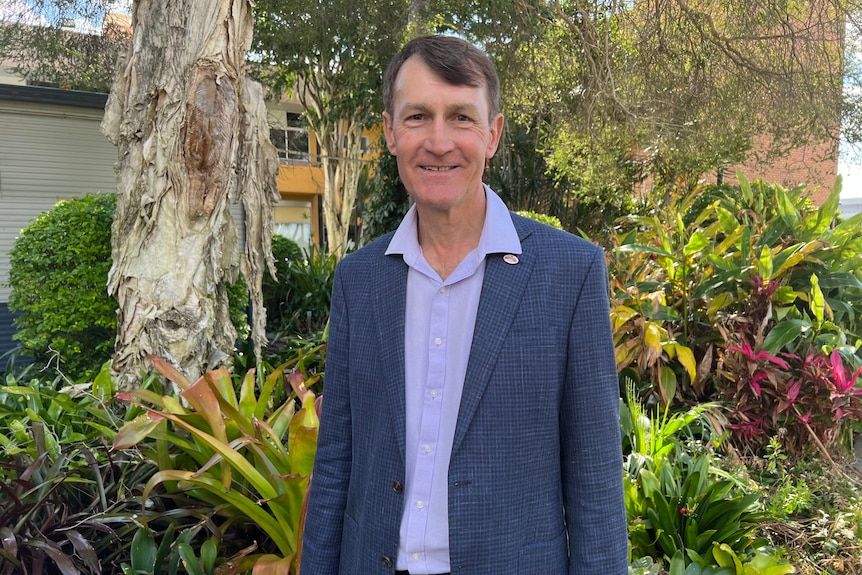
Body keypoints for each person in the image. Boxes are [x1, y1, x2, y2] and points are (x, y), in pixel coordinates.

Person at [300, 35, 628, 575]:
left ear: (493, 134)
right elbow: (337, 459)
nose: (438, 141)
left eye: (460, 117)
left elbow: (595, 479)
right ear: (389, 132)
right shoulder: (359, 280)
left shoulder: (570, 275)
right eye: (417, 117)